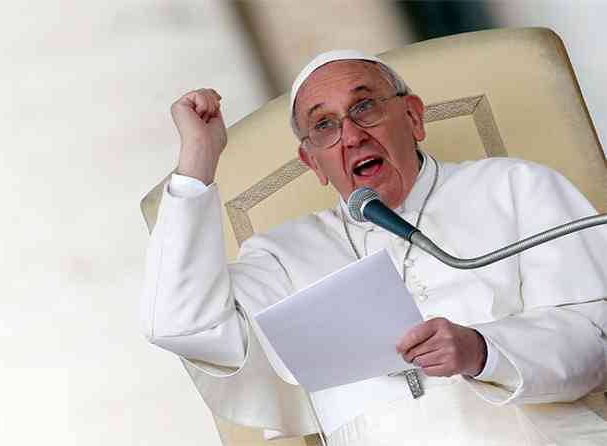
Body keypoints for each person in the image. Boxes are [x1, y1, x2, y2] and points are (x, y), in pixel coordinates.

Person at [141, 50, 607, 445]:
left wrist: (482, 350)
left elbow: (594, 339)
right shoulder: (282, 257)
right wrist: (198, 161)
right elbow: (182, 325)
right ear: (312, 163)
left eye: (364, 108)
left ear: (413, 117)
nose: (351, 134)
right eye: (323, 125)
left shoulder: (516, 187)